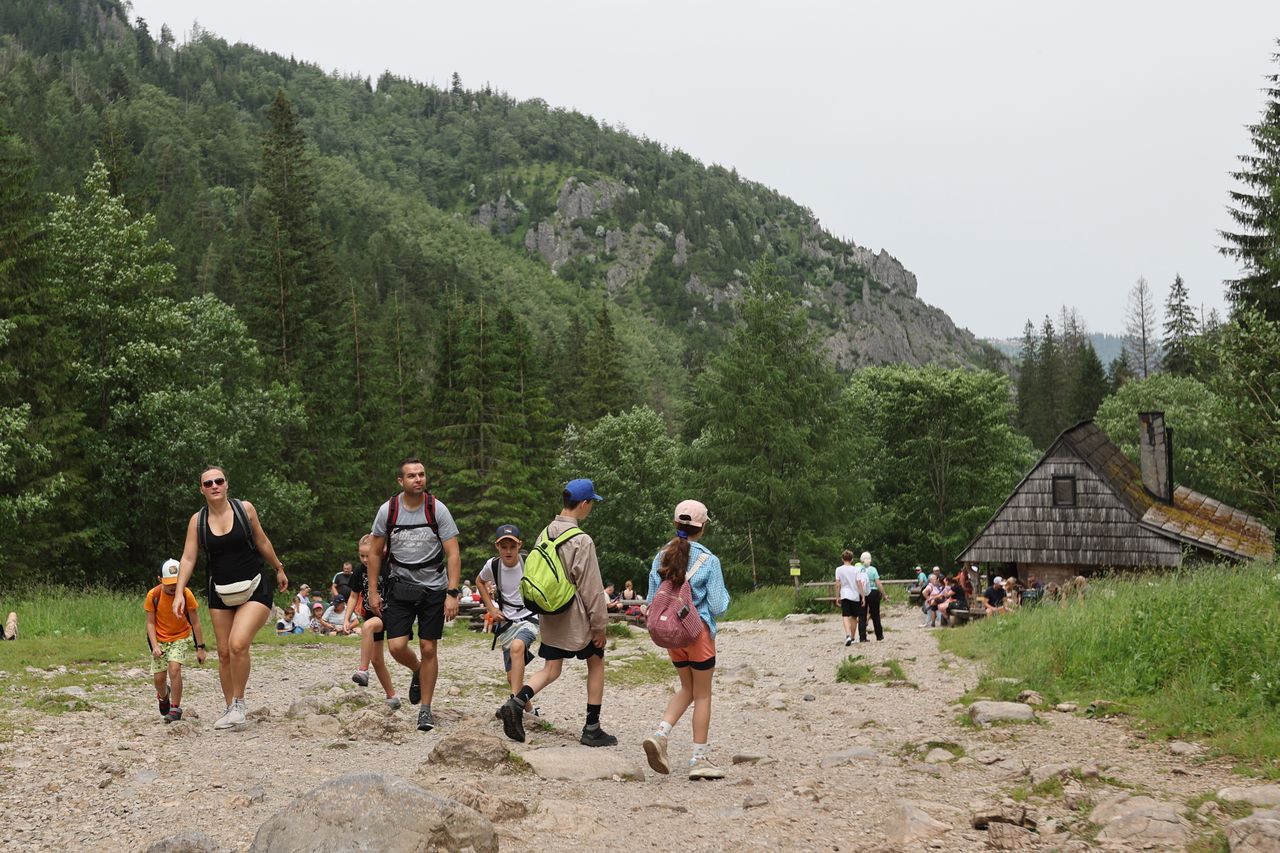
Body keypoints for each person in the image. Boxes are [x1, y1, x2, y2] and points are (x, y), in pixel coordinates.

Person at [495, 479, 615, 747]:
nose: (591, 508)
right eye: (591, 503)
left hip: (549, 614)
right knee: (595, 661)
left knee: (551, 668)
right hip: (576, 617)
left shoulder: (545, 533)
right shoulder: (581, 540)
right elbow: (592, 588)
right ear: (583, 504)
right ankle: (592, 728)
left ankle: (515, 703)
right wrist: (599, 626)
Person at [174, 465, 287, 730]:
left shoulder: (244, 509)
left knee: (238, 644)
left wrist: (279, 568)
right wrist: (179, 591)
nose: (214, 486)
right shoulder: (197, 521)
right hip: (220, 591)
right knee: (224, 654)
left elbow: (262, 541)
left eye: (218, 481)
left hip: (255, 587)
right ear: (201, 489)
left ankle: (239, 703)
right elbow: (188, 558)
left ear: (226, 484)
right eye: (208, 483)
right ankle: (230, 708)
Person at [365, 457, 462, 733]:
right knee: (396, 646)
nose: (418, 479)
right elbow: (374, 553)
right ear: (400, 481)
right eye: (411, 476)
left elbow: (453, 553)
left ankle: (425, 710)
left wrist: (452, 592)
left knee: (429, 647)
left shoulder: (437, 509)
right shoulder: (389, 510)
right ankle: (418, 670)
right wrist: (373, 591)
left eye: (421, 475)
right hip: (400, 585)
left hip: (433, 587)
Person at [641, 499, 731, 780]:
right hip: (697, 632)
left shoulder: (661, 557)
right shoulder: (709, 560)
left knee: (686, 688)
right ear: (701, 527)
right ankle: (698, 759)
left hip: (672, 636)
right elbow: (717, 606)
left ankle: (661, 735)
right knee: (702, 694)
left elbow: (651, 599)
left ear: (676, 524)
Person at [476, 524, 540, 719]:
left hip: (529, 617)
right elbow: (479, 581)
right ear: (497, 547)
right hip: (506, 622)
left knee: (518, 647)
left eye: (512, 546)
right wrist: (491, 608)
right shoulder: (493, 565)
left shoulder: (529, 563)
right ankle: (530, 711)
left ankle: (514, 706)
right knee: (512, 677)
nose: (508, 551)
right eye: (504, 547)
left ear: (519, 545)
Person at [146, 559, 207, 723]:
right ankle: (164, 695)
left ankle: (175, 708)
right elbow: (150, 623)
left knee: (174, 669)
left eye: (176, 582)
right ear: (160, 579)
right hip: (160, 640)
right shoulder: (154, 595)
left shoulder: (186, 594)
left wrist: (200, 647)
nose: (173, 587)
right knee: (159, 679)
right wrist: (155, 646)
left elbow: (196, 622)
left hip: (181, 637)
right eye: (169, 583)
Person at [347, 534, 401, 709]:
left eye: (368, 555)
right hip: (371, 613)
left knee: (368, 627)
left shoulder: (388, 566)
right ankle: (392, 696)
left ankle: (363, 670)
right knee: (377, 659)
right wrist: (346, 618)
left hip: (390, 613)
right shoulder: (359, 571)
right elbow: (354, 595)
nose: (364, 559)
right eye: (361, 555)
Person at [834, 549, 867, 646]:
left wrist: (837, 596)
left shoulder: (839, 569)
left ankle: (847, 635)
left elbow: (837, 584)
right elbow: (859, 583)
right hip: (855, 596)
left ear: (842, 559)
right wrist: (863, 597)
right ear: (852, 559)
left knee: (845, 615)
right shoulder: (856, 569)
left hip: (845, 594)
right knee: (854, 617)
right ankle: (852, 637)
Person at [860, 551, 885, 642]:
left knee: (862, 615)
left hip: (862, 592)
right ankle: (879, 635)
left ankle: (862, 637)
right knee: (875, 615)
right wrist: (884, 594)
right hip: (873, 592)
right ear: (870, 560)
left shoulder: (859, 569)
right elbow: (878, 583)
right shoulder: (873, 569)